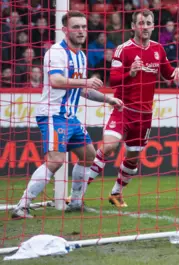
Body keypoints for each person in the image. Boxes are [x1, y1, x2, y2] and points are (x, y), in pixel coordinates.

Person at [11, 11, 123, 218]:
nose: (81, 31)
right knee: (55, 160)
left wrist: (108, 99)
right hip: (53, 115)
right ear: (65, 30)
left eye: (83, 27)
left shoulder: (81, 56)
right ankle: (21, 206)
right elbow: (57, 81)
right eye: (76, 27)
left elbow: (82, 89)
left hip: (71, 117)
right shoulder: (56, 52)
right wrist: (86, 81)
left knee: (89, 156)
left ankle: (75, 202)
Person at [84, 10, 179, 208]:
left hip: (145, 115)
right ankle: (78, 193)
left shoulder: (158, 49)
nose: (145, 26)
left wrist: (177, 72)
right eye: (141, 22)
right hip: (123, 109)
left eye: (148, 22)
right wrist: (130, 73)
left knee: (133, 157)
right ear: (133, 27)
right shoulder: (123, 50)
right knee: (109, 147)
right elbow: (113, 80)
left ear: (153, 26)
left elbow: (168, 74)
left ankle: (116, 193)